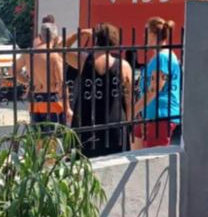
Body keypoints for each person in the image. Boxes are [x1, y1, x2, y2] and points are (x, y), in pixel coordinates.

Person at [71, 23, 132, 157]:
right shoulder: (124, 66)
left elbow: (58, 48)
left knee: (84, 164)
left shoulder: (83, 59)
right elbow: (128, 100)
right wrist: (128, 124)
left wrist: (80, 34)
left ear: (96, 39)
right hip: (115, 121)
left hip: (87, 122)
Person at [134, 17, 181, 147]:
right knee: (137, 146)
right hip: (151, 115)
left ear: (154, 35)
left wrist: (133, 110)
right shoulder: (161, 56)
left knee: (153, 155)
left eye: (147, 32)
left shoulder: (163, 57)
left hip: (160, 116)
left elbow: (154, 90)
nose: (144, 36)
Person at [16, 22, 70, 128]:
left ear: (40, 37)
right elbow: (61, 83)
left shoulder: (28, 53)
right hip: (51, 98)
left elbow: (13, 70)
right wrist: (67, 107)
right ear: (55, 38)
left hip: (35, 99)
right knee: (53, 134)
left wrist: (27, 82)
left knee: (37, 134)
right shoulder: (55, 55)